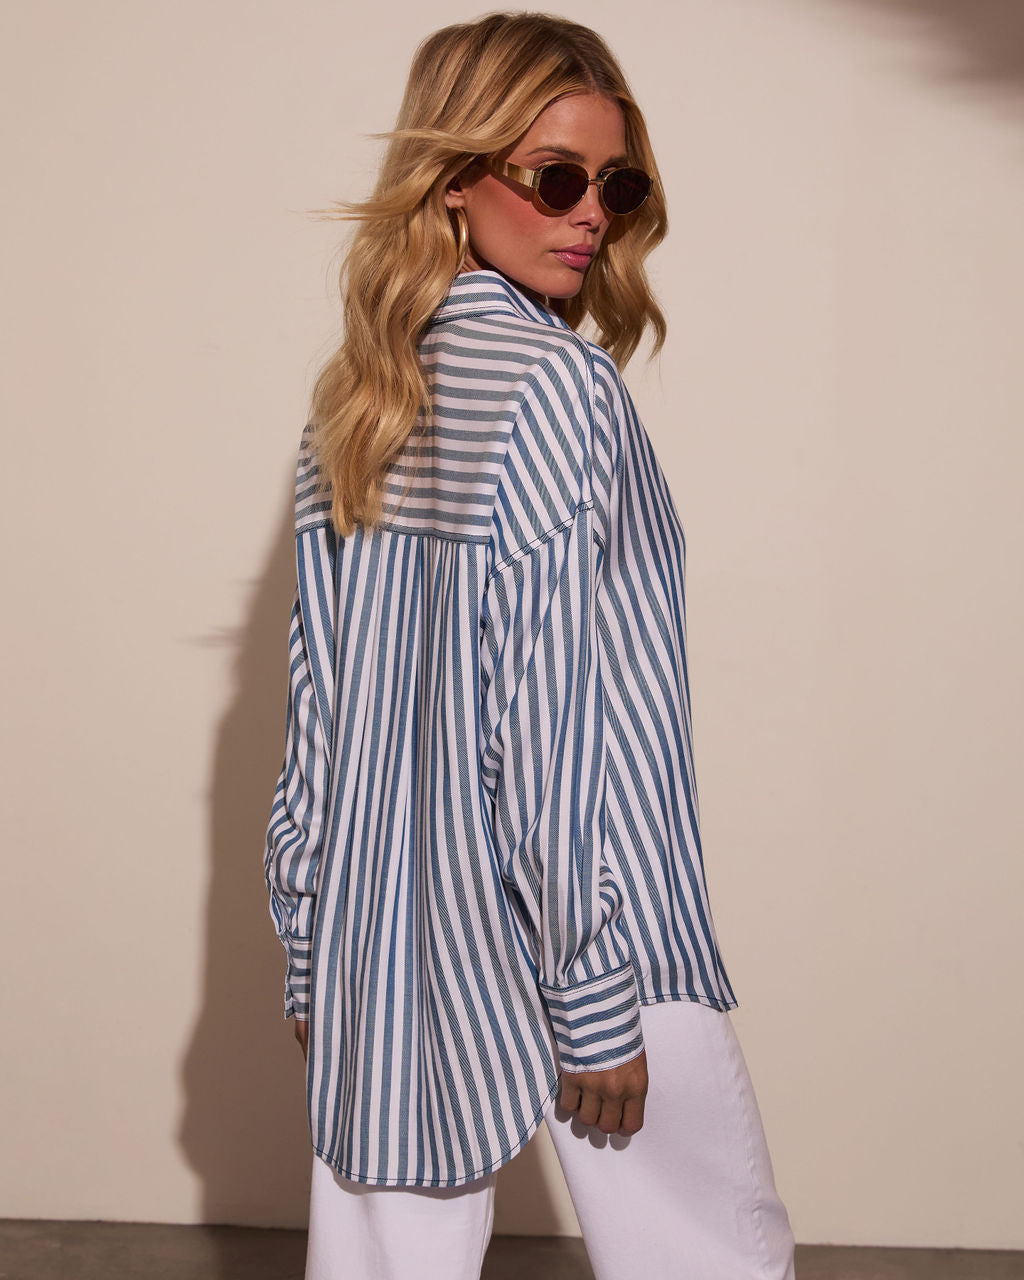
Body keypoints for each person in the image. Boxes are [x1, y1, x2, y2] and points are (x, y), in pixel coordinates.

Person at [263, 12, 797, 1279]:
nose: (591, 214)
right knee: (706, 1260)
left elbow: (316, 711)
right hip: (594, 914)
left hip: (388, 921)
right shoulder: (559, 387)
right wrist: (595, 990)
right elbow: (550, 725)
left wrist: (312, 944)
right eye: (556, 179)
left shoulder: (362, 392)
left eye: (618, 185)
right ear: (455, 179)